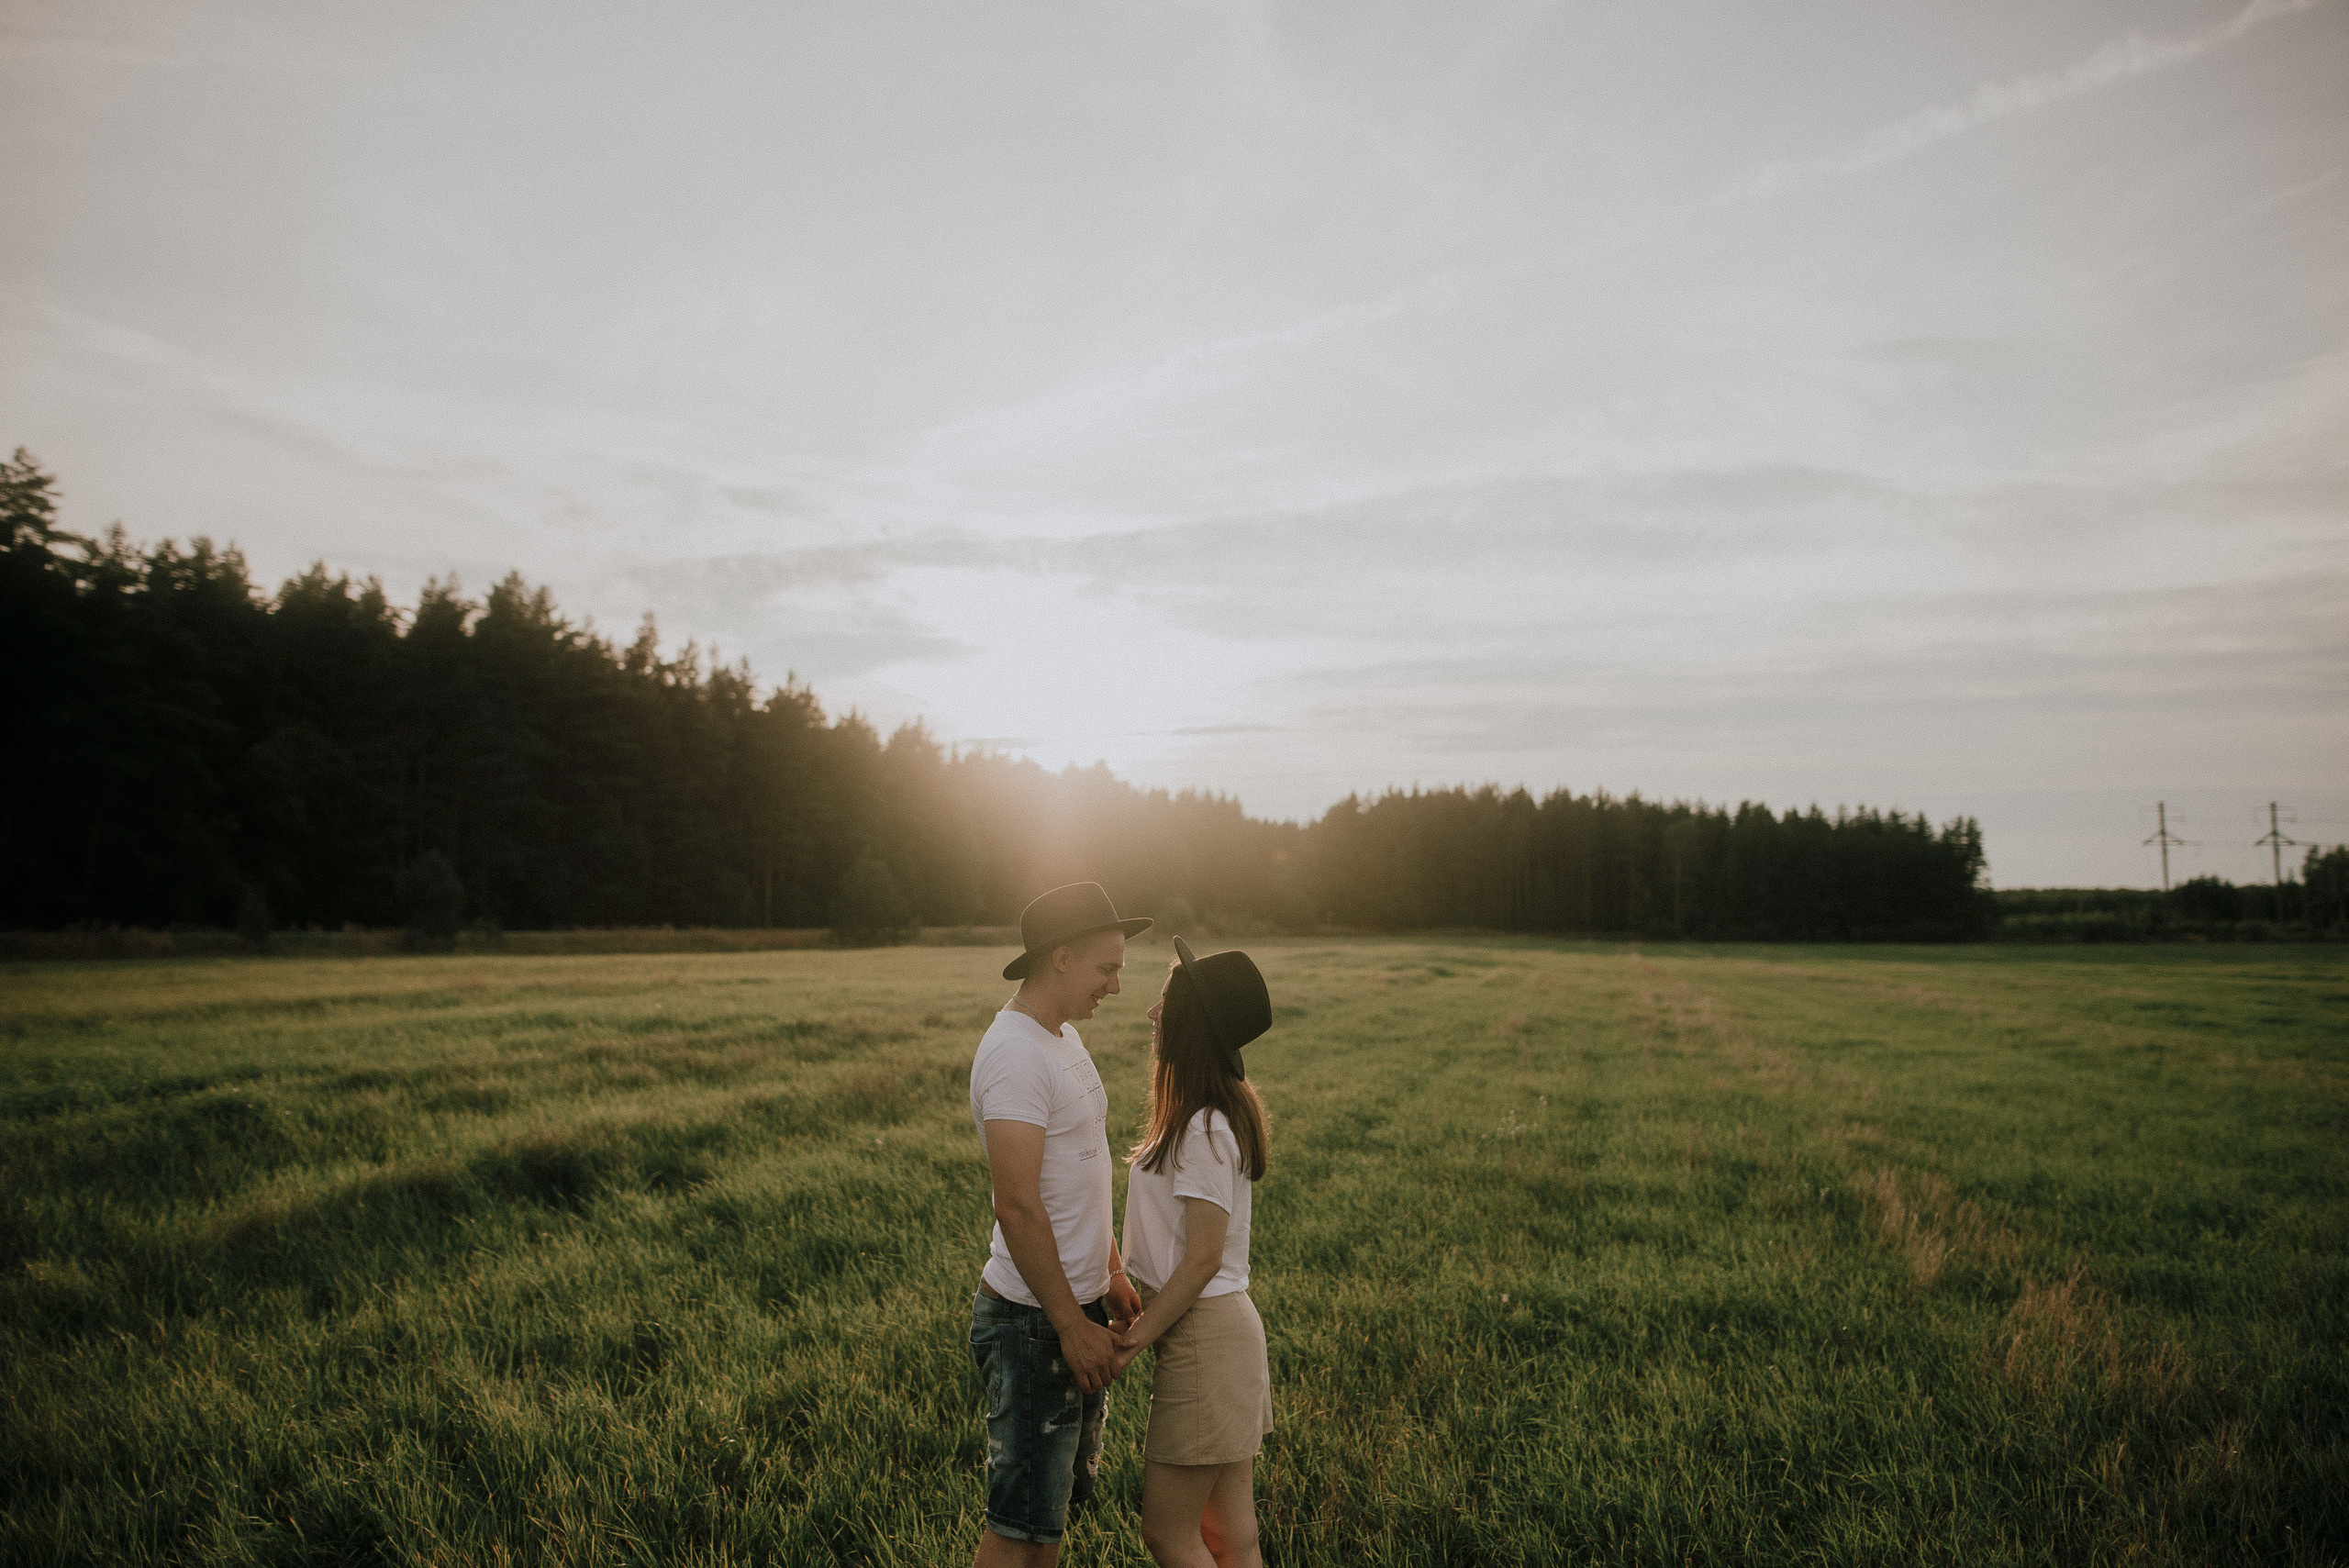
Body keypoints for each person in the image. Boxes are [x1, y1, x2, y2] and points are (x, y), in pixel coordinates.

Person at [968, 883, 1152, 1565]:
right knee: (1017, 1524)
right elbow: (1016, 1203)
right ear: (1064, 958)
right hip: (1031, 1322)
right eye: (1108, 968)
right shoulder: (1016, 1053)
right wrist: (1071, 1325)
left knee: (1045, 1523)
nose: (1114, 985)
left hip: (1069, 1305)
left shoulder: (1060, 1036)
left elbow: (1079, 1168)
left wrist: (1106, 1269)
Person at [1113, 937, 1276, 1568]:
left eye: (1164, 1002)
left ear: (1191, 1024)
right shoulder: (1198, 1117)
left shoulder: (1206, 1127)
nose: (1152, 1013)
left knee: (1169, 1533)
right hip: (1216, 1336)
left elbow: (1204, 1256)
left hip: (1206, 1337)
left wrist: (1133, 1338)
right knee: (1231, 1537)